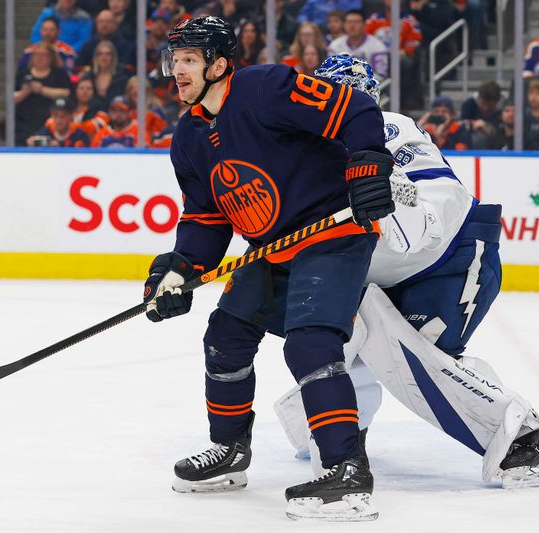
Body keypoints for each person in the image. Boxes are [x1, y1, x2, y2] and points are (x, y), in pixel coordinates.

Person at [274, 54, 539, 490]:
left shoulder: (388, 127)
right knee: (343, 335)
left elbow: (437, 198)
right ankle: (336, 434)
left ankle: (525, 441)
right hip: (385, 275)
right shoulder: (310, 152)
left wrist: (396, 204)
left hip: (451, 262)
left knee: (415, 358)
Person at [146, 16, 394, 521]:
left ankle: (346, 470)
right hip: (270, 246)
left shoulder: (265, 88)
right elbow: (206, 217)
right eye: (175, 61)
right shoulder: (189, 137)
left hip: (332, 233)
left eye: (189, 60)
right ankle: (230, 452)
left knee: (311, 342)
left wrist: (367, 164)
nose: (178, 71)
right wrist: (179, 268)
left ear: (218, 64)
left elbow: (355, 108)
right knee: (225, 336)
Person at [13, 43, 72, 146]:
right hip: (24, 123)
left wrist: (42, 90)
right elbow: (11, 97)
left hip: (50, 124)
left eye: (43, 55)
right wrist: (24, 92)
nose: (40, 58)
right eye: (36, 54)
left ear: (51, 57)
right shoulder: (23, 73)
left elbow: (66, 93)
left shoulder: (59, 73)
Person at [328, 10, 389, 79]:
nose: (352, 26)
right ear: (344, 25)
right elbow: (331, 72)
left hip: (369, 87)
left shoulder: (377, 47)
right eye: (349, 22)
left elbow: (381, 76)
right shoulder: (335, 46)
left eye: (356, 22)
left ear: (364, 25)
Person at [27, 97, 92, 147]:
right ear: (51, 115)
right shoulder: (47, 131)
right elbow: (31, 142)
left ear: (70, 116)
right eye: (55, 115)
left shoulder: (79, 135)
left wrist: (59, 145)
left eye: (63, 116)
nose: (59, 120)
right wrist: (46, 143)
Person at [83, 40, 131, 108]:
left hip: (115, 113)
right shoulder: (89, 76)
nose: (104, 57)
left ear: (113, 57)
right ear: (95, 57)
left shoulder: (121, 78)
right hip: (92, 112)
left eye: (107, 54)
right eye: (100, 54)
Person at [460, 81, 502, 149]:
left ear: (496, 102)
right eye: (483, 104)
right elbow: (462, 124)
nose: (486, 108)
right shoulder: (469, 105)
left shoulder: (501, 111)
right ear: (479, 98)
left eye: (490, 105)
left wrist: (488, 128)